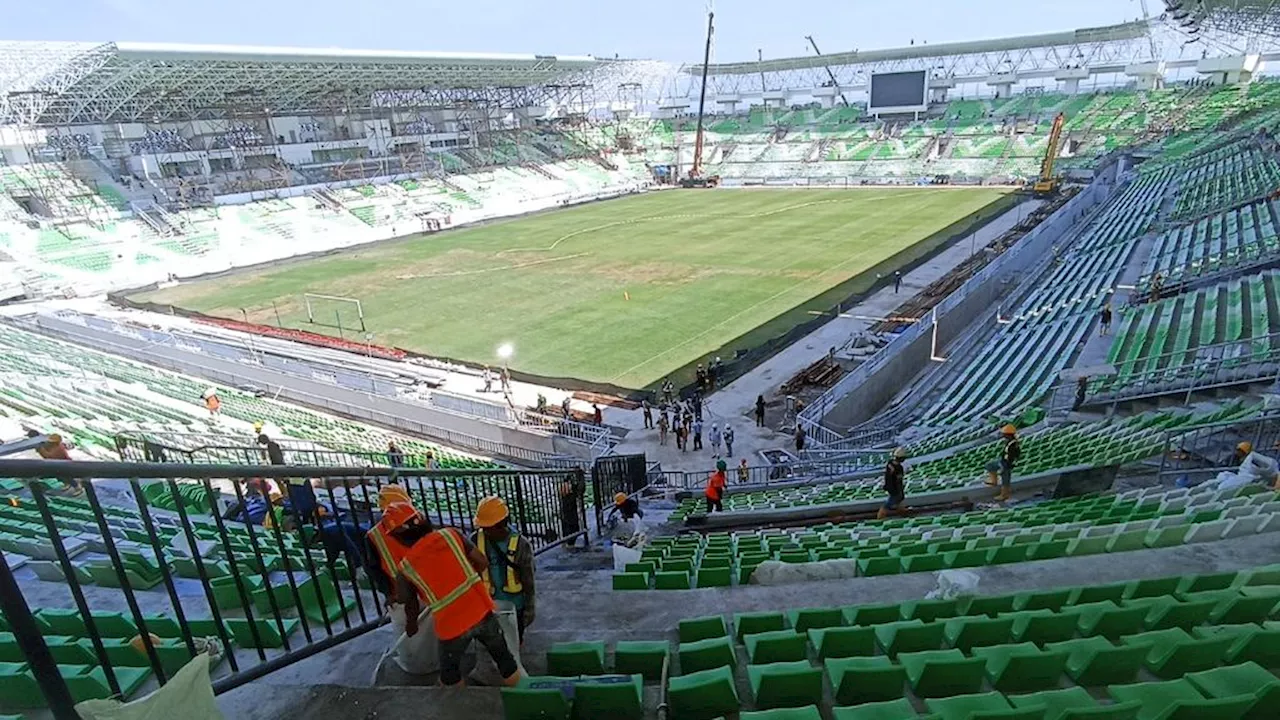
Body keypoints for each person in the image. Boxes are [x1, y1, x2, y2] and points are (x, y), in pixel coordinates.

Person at [396, 514, 523, 688]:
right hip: (481, 611)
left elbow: (407, 601)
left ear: (400, 538)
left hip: (451, 626)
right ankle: (519, 692)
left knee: (450, 673)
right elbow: (482, 561)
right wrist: (472, 579)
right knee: (504, 659)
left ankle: (460, 706)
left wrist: (412, 625)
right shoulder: (450, 534)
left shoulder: (406, 567)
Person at [472, 497, 536, 643]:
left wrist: (530, 607)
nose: (485, 531)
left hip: (515, 605)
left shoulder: (521, 544)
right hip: (488, 604)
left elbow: (528, 578)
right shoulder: (475, 540)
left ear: (502, 524)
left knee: (514, 639)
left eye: (489, 527)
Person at [363, 490, 423, 603]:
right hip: (400, 592)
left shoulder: (418, 523)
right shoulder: (373, 537)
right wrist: (388, 592)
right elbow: (373, 568)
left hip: (425, 584)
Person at [984, 424, 1021, 502]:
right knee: (989, 465)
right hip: (1002, 460)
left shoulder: (1013, 445)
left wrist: (1005, 466)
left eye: (1004, 434)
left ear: (1008, 435)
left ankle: (1004, 495)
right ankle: (994, 481)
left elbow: (1013, 456)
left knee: (1005, 479)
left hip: (1006, 464)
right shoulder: (1009, 441)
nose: (1003, 435)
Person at [878, 447, 909, 519]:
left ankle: (902, 512)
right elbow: (899, 479)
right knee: (889, 504)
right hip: (895, 488)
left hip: (889, 486)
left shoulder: (890, 463)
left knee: (899, 501)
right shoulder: (899, 468)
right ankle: (880, 516)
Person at [558, 469, 585, 548]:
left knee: (568, 526)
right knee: (572, 527)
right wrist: (581, 477)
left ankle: (567, 542)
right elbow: (580, 489)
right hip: (571, 513)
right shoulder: (570, 490)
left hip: (567, 511)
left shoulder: (565, 487)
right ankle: (570, 544)